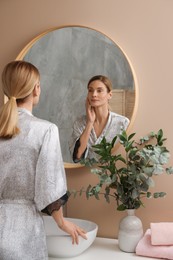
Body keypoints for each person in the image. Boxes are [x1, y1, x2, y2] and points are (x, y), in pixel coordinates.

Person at [0, 60, 87, 260]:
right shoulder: (45, 130)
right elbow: (49, 184)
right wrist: (62, 222)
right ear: (36, 89)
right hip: (23, 230)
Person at [69, 75, 130, 162]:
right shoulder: (80, 123)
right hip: (84, 174)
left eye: (99, 91)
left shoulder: (122, 123)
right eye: (90, 90)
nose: (94, 94)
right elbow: (77, 157)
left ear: (110, 95)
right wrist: (89, 123)